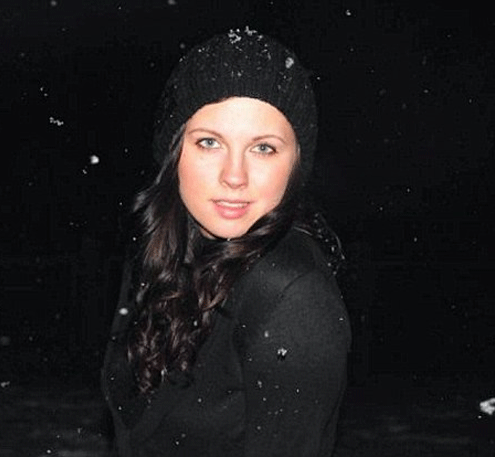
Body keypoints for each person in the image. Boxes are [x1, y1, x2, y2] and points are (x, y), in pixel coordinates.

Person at [101, 27, 351, 457]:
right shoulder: (158, 251)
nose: (234, 176)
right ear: (173, 151)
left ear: (296, 163)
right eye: (210, 142)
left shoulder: (291, 293)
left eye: (263, 148)